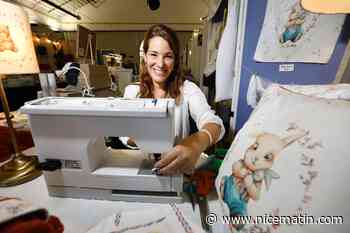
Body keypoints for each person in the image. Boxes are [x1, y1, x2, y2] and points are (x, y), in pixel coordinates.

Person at [123, 24, 225, 175]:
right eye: (153, 54)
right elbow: (124, 133)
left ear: (176, 60)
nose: (160, 63)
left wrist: (195, 143)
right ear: (145, 56)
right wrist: (139, 137)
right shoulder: (132, 92)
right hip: (141, 167)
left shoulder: (188, 89)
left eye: (168, 56)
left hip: (177, 170)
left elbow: (214, 123)